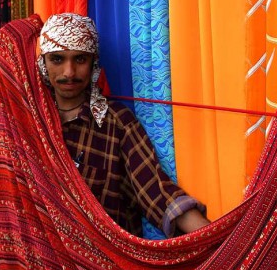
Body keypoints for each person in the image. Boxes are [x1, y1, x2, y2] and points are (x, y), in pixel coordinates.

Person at [37, 13, 210, 237]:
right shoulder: (29, 119)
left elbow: (156, 191)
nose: (69, 72)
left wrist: (221, 246)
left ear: (93, 64)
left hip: (103, 264)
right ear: (43, 63)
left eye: (80, 59)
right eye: (57, 59)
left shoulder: (115, 122)